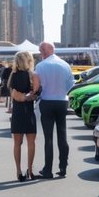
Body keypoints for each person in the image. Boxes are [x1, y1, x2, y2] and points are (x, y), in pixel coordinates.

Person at [35, 41, 75, 179]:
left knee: (48, 138)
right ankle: (63, 167)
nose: (41, 53)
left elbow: (36, 85)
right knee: (62, 135)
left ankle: (48, 170)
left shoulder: (40, 65)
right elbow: (71, 84)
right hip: (62, 101)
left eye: (42, 51)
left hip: (47, 101)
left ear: (46, 51)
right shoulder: (65, 65)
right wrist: (61, 92)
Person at [7, 50, 40, 180]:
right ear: (28, 61)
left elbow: (10, 91)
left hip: (17, 112)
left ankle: (19, 172)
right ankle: (30, 171)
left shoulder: (13, 76)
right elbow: (38, 92)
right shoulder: (32, 75)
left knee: (17, 143)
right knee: (31, 142)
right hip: (28, 110)